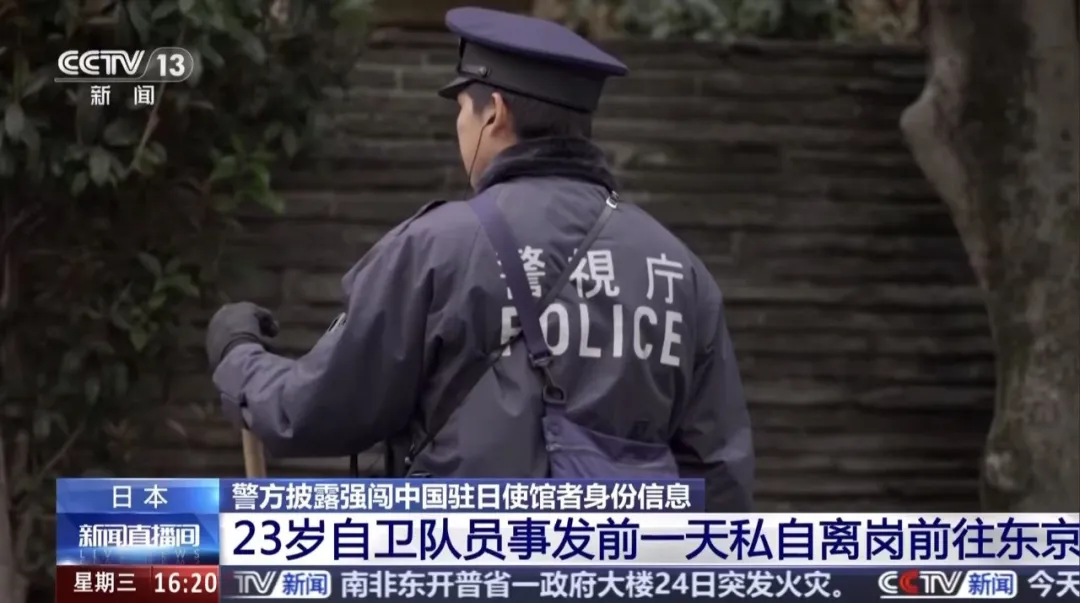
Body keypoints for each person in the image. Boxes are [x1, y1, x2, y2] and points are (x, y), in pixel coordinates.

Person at [205, 7, 754, 511]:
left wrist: (238, 355)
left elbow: (315, 410)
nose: (460, 128)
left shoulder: (438, 247)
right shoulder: (680, 272)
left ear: (496, 113)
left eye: (463, 109)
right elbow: (720, 475)